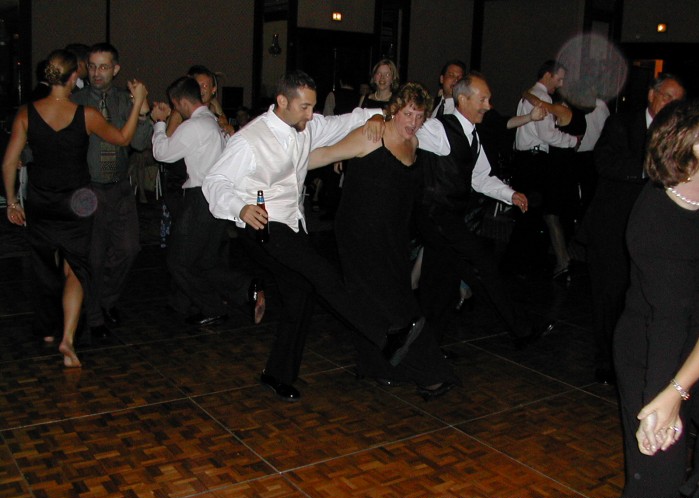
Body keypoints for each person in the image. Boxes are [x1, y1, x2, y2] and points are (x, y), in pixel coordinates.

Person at [202, 70, 423, 401]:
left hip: (292, 225)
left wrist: (378, 115)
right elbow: (214, 181)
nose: (311, 114)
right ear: (282, 102)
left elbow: (351, 118)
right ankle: (385, 337)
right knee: (322, 273)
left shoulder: (308, 126)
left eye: (313, 107)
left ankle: (277, 375)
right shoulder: (250, 140)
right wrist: (241, 207)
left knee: (301, 295)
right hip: (262, 225)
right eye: (304, 107)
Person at [308, 82, 458, 397]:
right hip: (359, 232)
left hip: (392, 234)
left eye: (419, 116)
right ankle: (431, 373)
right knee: (394, 304)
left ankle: (374, 366)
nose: (413, 121)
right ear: (394, 110)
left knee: (378, 300)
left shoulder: (416, 142)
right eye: (407, 113)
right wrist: (276, 165)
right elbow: (322, 155)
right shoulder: (371, 134)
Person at [2, 49, 147, 368]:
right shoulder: (86, 114)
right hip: (78, 201)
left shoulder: (27, 113)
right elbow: (124, 139)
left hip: (41, 200)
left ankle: (47, 330)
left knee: (43, 266)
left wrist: (12, 201)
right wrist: (138, 103)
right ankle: (68, 337)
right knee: (75, 269)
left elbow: (10, 160)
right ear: (73, 79)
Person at [414, 73, 553, 348]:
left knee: (440, 283)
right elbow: (404, 128)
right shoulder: (438, 129)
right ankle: (521, 330)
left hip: (447, 219)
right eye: (483, 99)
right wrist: (374, 120)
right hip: (435, 217)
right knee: (482, 266)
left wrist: (511, 194)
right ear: (462, 99)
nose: (489, 105)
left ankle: (424, 349)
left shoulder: (472, 136)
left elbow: (481, 178)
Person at [613, 98, 699, 498]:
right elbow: (669, 322)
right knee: (655, 487)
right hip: (654, 352)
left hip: (690, 346)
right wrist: (666, 400)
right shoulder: (656, 223)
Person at [586, 73, 685, 385]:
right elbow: (604, 163)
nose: (672, 104)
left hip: (655, 232)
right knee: (608, 296)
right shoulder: (622, 124)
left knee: (643, 297)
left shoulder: (678, 134)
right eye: (668, 96)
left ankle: (637, 358)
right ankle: (606, 361)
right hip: (613, 228)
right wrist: (650, 169)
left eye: (678, 100)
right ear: (652, 96)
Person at [151, 76, 258, 326]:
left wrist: (158, 123)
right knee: (206, 263)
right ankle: (245, 286)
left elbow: (162, 154)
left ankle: (212, 306)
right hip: (217, 197)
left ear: (179, 102)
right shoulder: (212, 122)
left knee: (178, 261)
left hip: (200, 198)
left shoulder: (195, 125)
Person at [72, 43, 153, 340]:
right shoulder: (77, 101)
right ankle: (95, 316)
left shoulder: (124, 100)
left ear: (116, 69)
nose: (96, 72)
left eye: (103, 67)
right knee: (93, 255)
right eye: (92, 66)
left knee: (129, 248)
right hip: (88, 189)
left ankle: (103, 301)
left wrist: (142, 114)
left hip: (119, 187)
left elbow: (140, 144)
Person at [511, 60, 580, 280]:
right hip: (534, 162)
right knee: (532, 215)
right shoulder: (542, 99)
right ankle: (520, 266)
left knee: (530, 214)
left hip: (525, 161)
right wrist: (572, 141)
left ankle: (519, 265)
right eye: (558, 79)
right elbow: (547, 135)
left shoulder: (530, 95)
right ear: (548, 75)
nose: (560, 84)